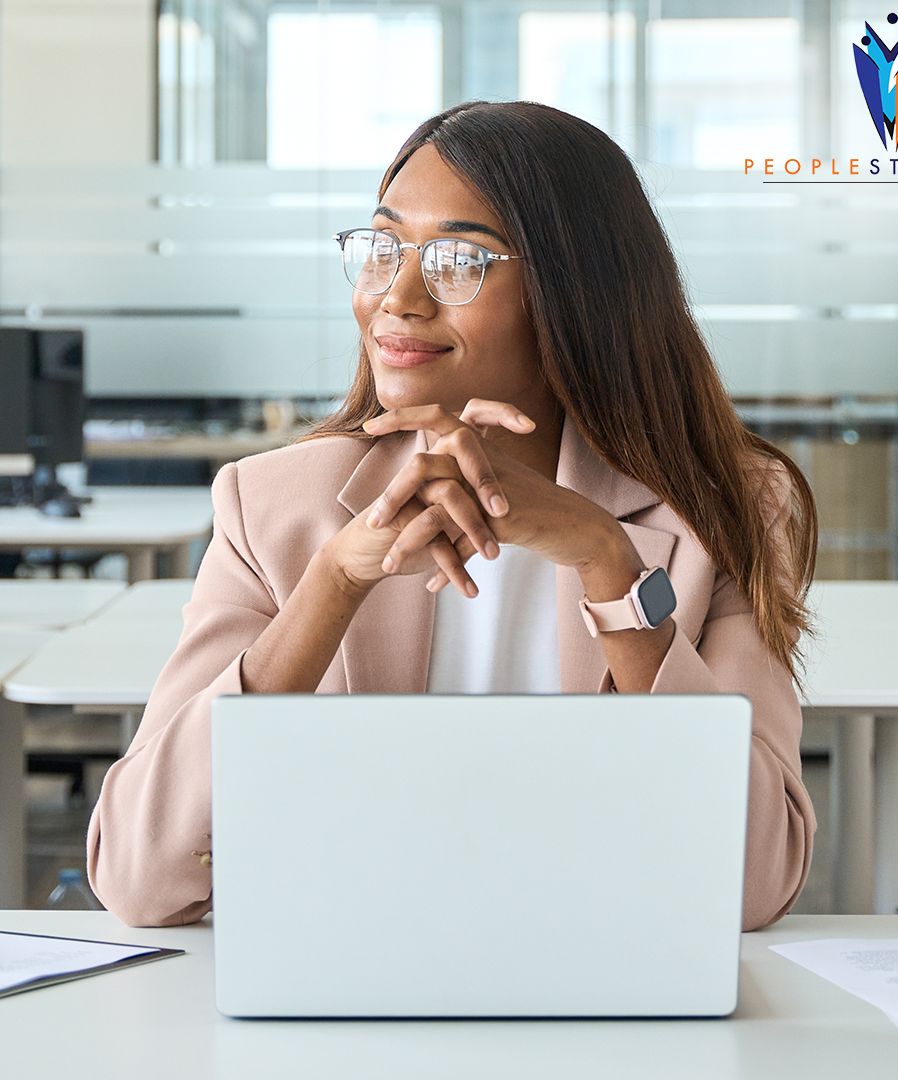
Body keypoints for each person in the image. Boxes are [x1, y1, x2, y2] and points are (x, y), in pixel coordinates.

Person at [87, 100, 819, 931]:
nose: (398, 297)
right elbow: (139, 879)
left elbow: (754, 884)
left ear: (575, 289)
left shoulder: (728, 506)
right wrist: (334, 583)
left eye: (458, 261)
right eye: (384, 248)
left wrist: (607, 560)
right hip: (347, 993)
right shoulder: (272, 507)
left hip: (607, 987)